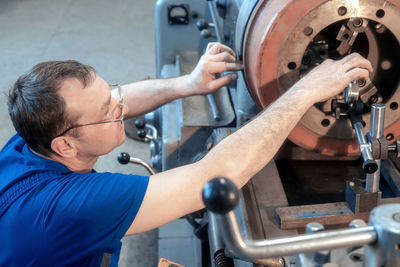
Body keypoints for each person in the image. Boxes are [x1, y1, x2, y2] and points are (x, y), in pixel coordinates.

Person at [0, 42, 372, 266]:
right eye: (106, 111)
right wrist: (306, 90)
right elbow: (212, 177)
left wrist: (188, 84)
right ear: (65, 145)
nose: (121, 106)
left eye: (110, 93)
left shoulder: (28, 141)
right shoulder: (75, 206)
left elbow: (120, 100)